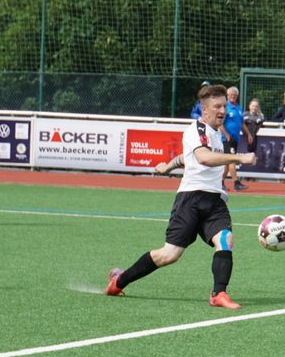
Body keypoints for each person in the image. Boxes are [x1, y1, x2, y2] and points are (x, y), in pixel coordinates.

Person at [105, 84, 256, 309]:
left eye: (224, 106)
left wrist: (168, 166)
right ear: (205, 110)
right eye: (217, 106)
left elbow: (188, 157)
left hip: (214, 200)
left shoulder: (216, 133)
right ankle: (119, 281)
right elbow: (203, 157)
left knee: (225, 239)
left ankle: (219, 294)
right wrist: (240, 158)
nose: (223, 111)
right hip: (191, 199)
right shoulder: (196, 129)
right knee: (169, 255)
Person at [222, 85, 247, 191]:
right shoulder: (225, 107)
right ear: (227, 95)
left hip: (235, 139)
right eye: (231, 95)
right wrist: (226, 135)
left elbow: (241, 123)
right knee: (232, 160)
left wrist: (248, 134)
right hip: (227, 139)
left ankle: (220, 183)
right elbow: (220, 124)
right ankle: (236, 182)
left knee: (227, 163)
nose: (233, 96)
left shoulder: (238, 108)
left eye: (235, 95)